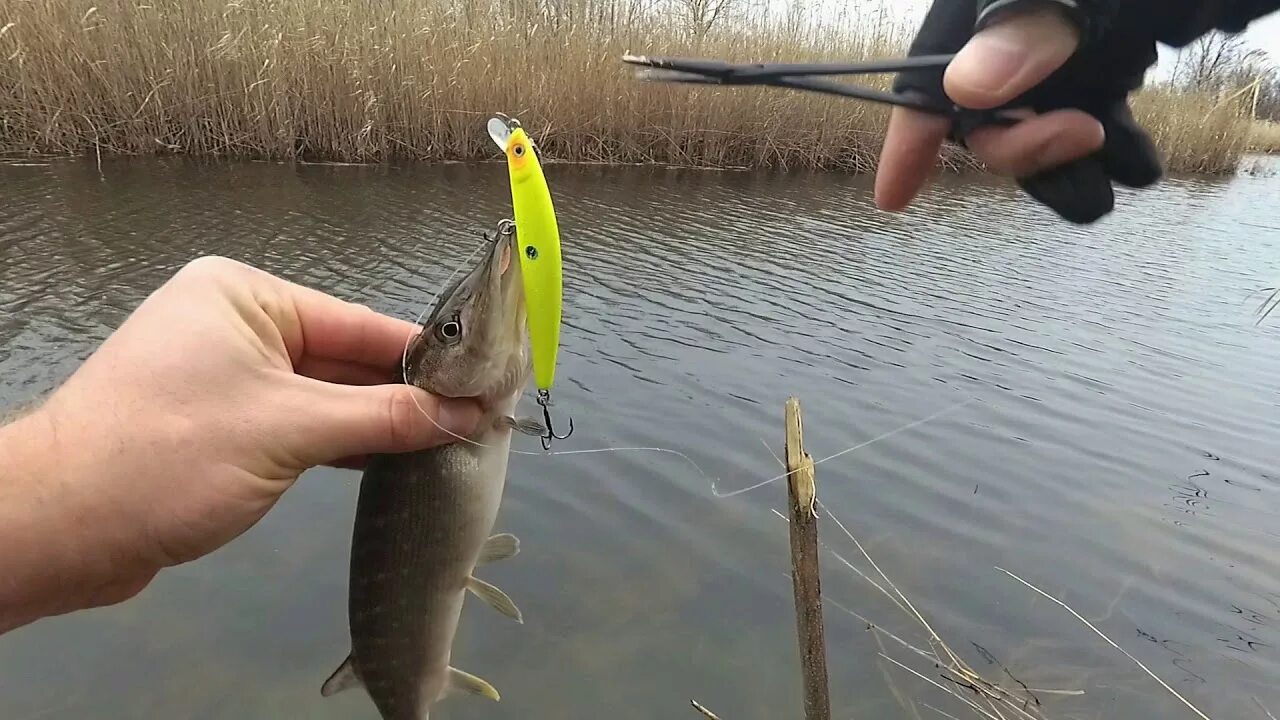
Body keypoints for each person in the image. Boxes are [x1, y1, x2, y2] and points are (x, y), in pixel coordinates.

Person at [1, 0, 1277, 636]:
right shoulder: (433, 401)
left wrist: (54, 495)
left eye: (440, 340)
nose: (459, 324)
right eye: (445, 340)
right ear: (435, 386)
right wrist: (55, 494)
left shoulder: (450, 389)